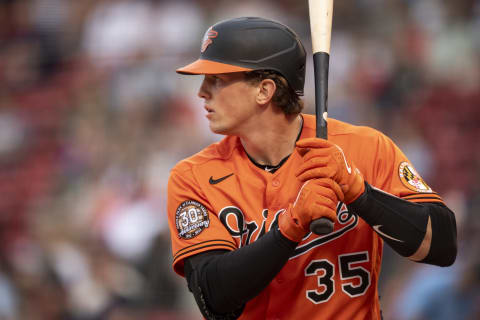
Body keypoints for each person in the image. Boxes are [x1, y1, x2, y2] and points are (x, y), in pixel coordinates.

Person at [167, 17, 457, 319]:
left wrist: (361, 194)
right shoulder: (193, 176)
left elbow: (442, 246)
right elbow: (213, 297)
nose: (202, 91)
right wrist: (291, 226)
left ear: (264, 91)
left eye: (217, 79)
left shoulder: (364, 147)